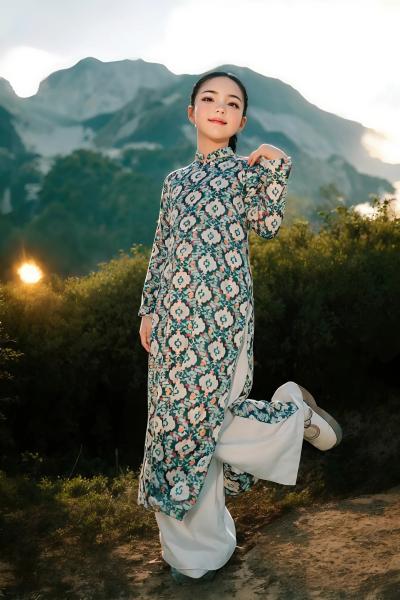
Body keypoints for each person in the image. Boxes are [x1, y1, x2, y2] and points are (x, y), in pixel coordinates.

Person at [137, 70, 343, 584]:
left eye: (232, 103)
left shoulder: (243, 173)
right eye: (209, 98)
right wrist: (149, 309)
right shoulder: (175, 182)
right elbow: (162, 250)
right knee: (170, 431)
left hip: (223, 321)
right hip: (171, 323)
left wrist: (274, 163)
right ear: (192, 112)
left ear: (241, 121)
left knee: (204, 423)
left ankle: (292, 417)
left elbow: (268, 225)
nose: (220, 107)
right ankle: (195, 552)